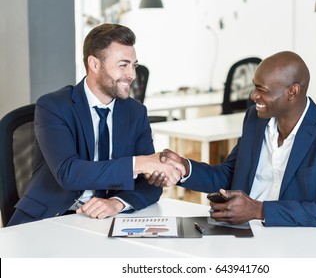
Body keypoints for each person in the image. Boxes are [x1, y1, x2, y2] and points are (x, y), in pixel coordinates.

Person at [147, 51, 316, 229]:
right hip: (241, 230)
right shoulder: (254, 120)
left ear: (292, 92)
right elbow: (230, 175)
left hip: (293, 239)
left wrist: (259, 210)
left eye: (262, 90)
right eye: (254, 87)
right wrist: (185, 168)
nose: (253, 96)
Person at [7, 23, 185, 226]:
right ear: (94, 64)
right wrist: (139, 163)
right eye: (123, 65)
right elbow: (69, 172)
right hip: (49, 218)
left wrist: (117, 203)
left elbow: (148, 183)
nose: (132, 75)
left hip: (106, 219)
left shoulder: (135, 112)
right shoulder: (53, 106)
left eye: (134, 65)